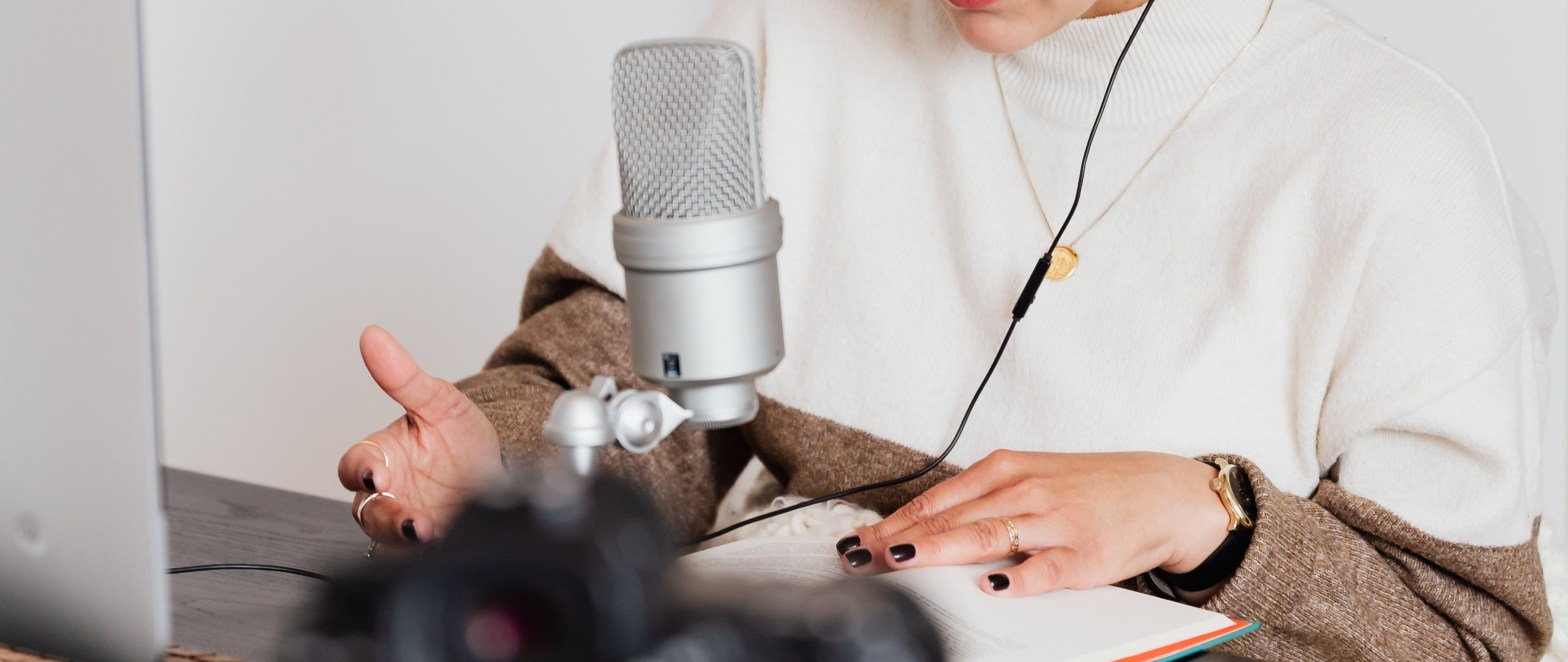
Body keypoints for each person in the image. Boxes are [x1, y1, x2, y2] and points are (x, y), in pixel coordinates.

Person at [336, 0, 1556, 658]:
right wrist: (515, 468)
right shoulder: (783, 31)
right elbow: (652, 383)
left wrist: (1215, 513)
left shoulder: (1391, 151)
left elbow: (1468, 631)